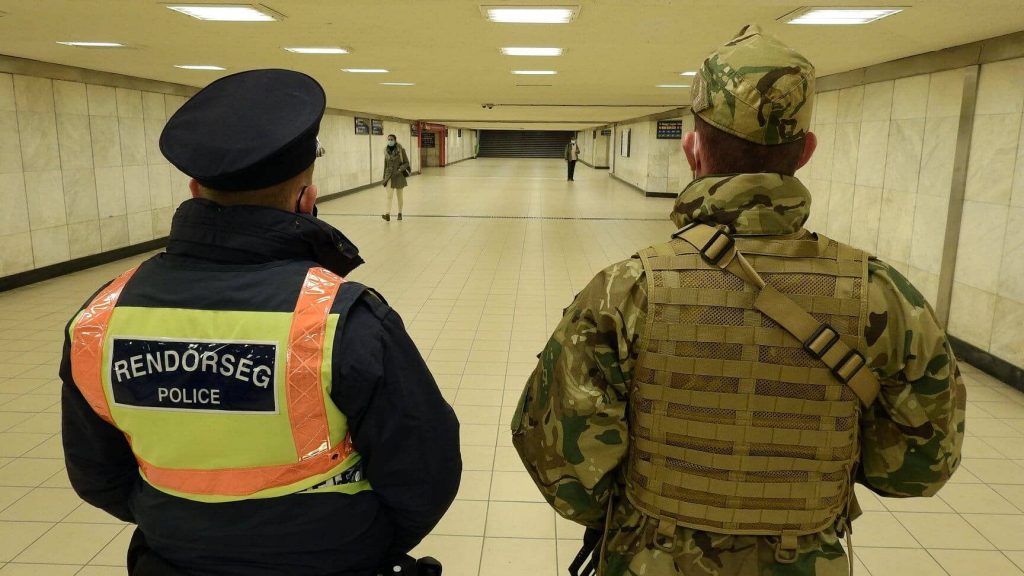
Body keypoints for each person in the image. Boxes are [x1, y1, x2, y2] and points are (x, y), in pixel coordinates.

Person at [512, 26, 965, 576]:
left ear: (691, 148)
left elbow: (563, 465)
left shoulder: (628, 290)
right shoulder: (883, 295)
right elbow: (918, 468)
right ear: (807, 152)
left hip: (651, 557)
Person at [60, 69, 461, 576]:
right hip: (332, 559)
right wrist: (361, 544)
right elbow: (425, 471)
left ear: (194, 189)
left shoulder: (100, 317)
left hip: (173, 557)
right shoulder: (339, 317)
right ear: (306, 199)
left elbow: (96, 474)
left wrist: (184, 527)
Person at [382, 134, 411, 221]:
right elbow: (385, 165)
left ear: (395, 140)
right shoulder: (386, 151)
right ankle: (387, 214)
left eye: (391, 139)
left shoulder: (401, 150)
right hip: (389, 176)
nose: (390, 141)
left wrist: (400, 169)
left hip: (399, 176)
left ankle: (400, 213)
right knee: (389, 196)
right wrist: (384, 177)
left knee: (399, 196)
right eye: (389, 139)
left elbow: (406, 163)